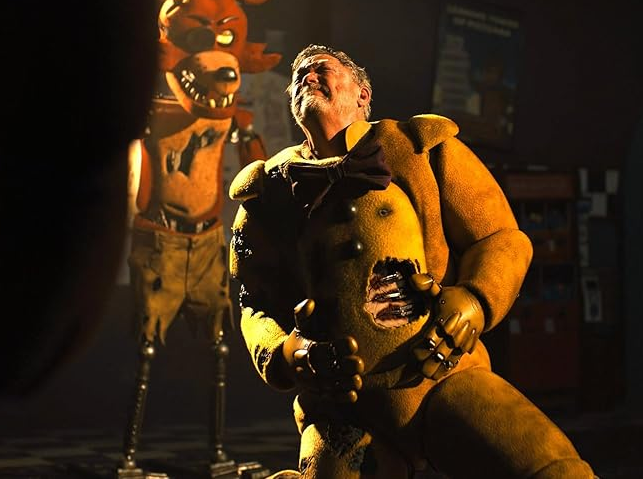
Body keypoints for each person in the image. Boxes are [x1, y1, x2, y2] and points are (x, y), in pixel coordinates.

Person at [228, 44, 595, 478]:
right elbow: (253, 303)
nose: (307, 76)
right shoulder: (268, 191)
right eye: (299, 77)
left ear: (363, 94)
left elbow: (500, 237)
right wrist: (288, 353)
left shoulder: (420, 147)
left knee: (552, 468)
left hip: (442, 377)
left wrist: (476, 300)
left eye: (321, 68)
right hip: (340, 411)